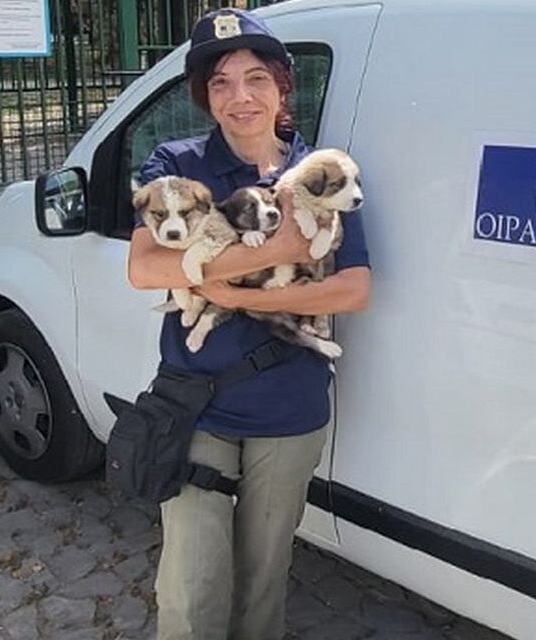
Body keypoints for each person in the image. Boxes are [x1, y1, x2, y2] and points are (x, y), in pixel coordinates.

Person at [126, 8, 371, 640]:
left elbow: (354, 287)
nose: (240, 96)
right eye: (221, 82)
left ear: (282, 86)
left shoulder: (322, 171)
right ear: (204, 97)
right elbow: (145, 268)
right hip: (197, 403)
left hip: (289, 405)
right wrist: (280, 250)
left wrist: (230, 292)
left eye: (256, 78)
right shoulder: (177, 164)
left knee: (264, 577)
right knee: (191, 584)